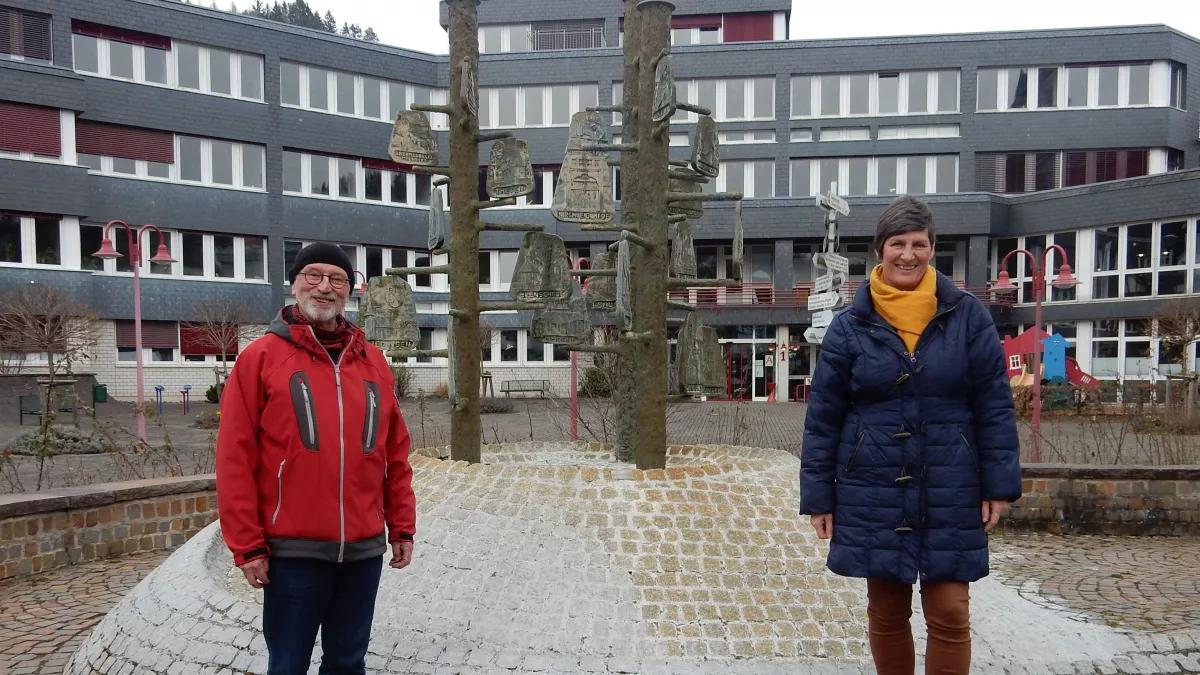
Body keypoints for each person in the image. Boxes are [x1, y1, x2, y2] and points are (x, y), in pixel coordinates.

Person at [800, 196, 1021, 675]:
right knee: (887, 611)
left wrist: (998, 486)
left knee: (950, 610)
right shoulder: (848, 327)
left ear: (932, 249)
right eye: (897, 243)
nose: (908, 254)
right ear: (880, 250)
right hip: (872, 487)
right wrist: (819, 498)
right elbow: (823, 418)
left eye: (918, 244)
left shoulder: (967, 316)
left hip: (951, 482)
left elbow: (994, 405)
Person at [217, 242, 416, 674]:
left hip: (362, 552)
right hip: (293, 553)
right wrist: (247, 545)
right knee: (288, 664)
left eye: (338, 279)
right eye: (314, 276)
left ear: (349, 291)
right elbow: (234, 458)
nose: (325, 287)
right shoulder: (261, 358)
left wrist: (401, 526)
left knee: (348, 662)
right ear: (295, 284)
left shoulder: (373, 362)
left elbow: (394, 454)